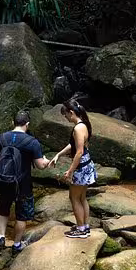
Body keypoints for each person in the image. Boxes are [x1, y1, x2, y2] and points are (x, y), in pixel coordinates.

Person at [0, 110, 50, 254]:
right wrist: (47, 161)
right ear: (27, 124)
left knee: (3, 208)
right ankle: (17, 244)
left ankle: (1, 236)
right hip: (23, 184)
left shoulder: (1, 138)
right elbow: (40, 165)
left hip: (4, 180)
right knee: (22, 214)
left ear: (13, 122)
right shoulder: (32, 142)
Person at [49, 99, 96, 239]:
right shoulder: (84, 124)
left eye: (65, 115)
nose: (65, 118)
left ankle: (81, 230)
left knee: (74, 197)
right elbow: (74, 145)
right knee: (82, 197)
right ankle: (85, 226)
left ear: (71, 112)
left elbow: (79, 152)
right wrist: (59, 154)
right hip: (87, 165)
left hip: (81, 167)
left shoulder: (77, 128)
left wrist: (70, 171)